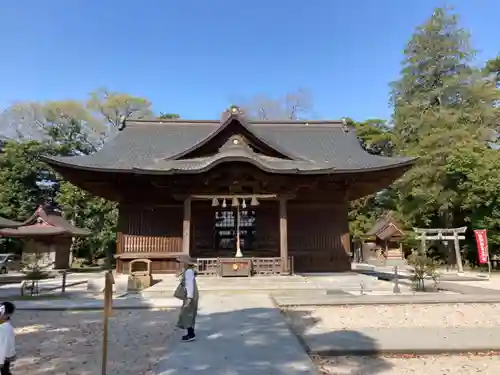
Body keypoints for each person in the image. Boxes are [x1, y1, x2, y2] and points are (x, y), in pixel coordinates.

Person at [175, 255, 199, 342]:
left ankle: (191, 334)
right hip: (191, 294)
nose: (180, 263)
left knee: (187, 313)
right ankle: (190, 333)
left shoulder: (189, 272)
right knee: (189, 314)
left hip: (190, 295)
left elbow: (189, 285)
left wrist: (189, 297)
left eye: (182, 262)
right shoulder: (189, 271)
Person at [0, 302, 16, 375]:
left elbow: (6, 344)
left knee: (5, 372)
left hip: (3, 357)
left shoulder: (6, 328)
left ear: (8, 315)